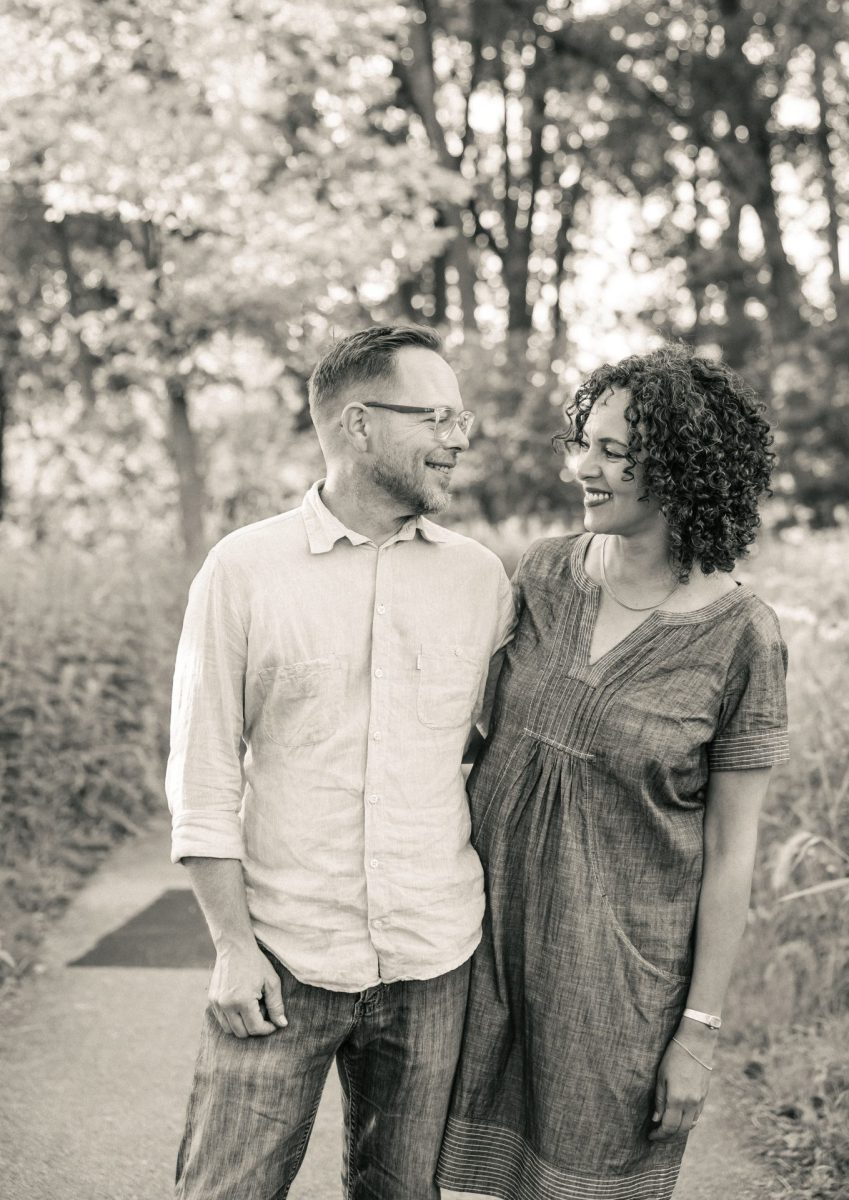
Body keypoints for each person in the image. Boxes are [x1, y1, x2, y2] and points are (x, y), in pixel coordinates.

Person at [166, 325, 515, 1200]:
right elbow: (201, 770)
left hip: (434, 960)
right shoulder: (244, 570)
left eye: (459, 414)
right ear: (357, 425)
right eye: (433, 415)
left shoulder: (480, 580)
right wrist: (231, 945)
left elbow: (494, 754)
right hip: (282, 957)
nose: (458, 435)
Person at [437, 344, 790, 1200]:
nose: (581, 468)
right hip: (475, 966)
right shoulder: (542, 575)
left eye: (612, 453)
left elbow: (731, 850)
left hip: (616, 995)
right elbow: (466, 745)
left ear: (679, 465)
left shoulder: (742, 637)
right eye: (581, 442)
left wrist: (697, 1030)